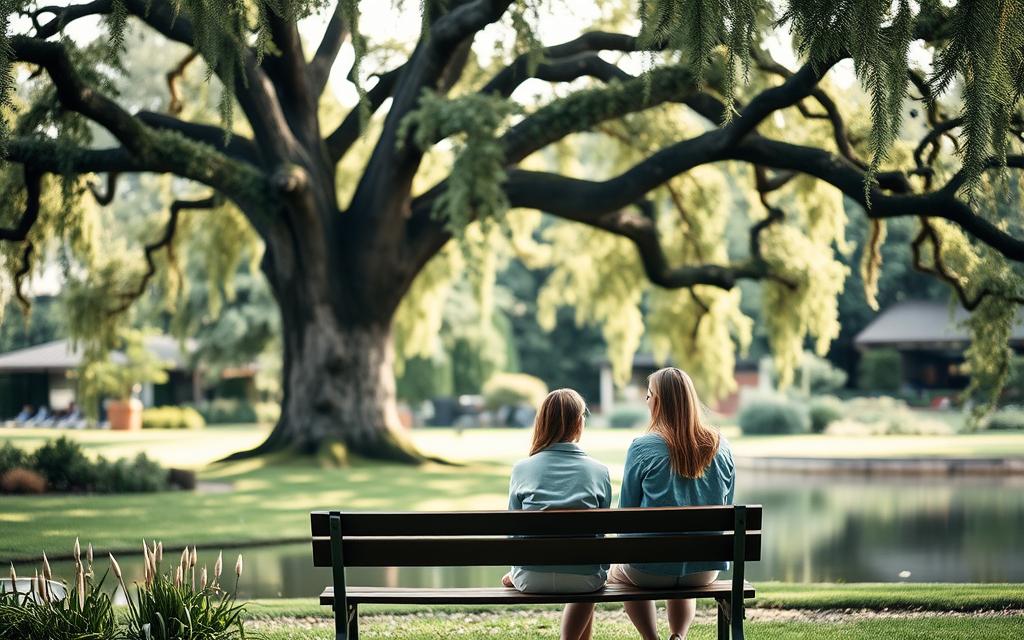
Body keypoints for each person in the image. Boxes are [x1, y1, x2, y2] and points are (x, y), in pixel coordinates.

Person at [610, 367, 736, 640]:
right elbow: (729, 504)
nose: (646, 400)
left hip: (648, 572)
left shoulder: (642, 447)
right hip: (704, 570)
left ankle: (651, 639)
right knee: (684, 559)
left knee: (618, 574)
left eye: (648, 395)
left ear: (659, 401)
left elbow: (626, 516)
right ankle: (678, 635)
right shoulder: (721, 446)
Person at [502, 388, 611, 640]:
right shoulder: (599, 471)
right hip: (585, 581)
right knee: (589, 574)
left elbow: (512, 534)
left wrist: (517, 571)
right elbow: (601, 536)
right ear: (578, 423)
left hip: (530, 579)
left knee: (585, 572)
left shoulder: (522, 469)